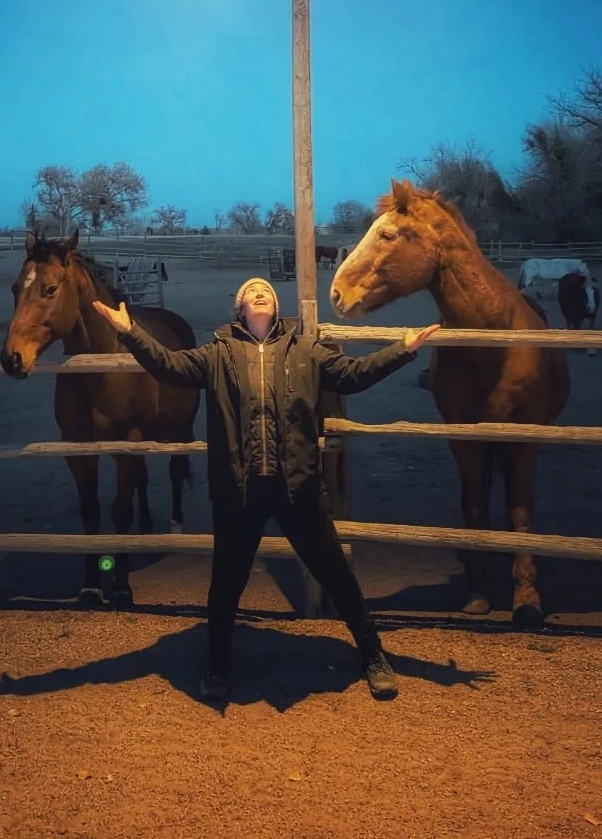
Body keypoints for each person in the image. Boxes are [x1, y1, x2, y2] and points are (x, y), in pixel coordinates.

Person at [92, 276, 438, 703]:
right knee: (226, 582)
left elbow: (352, 376)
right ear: (240, 309)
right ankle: (217, 659)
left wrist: (402, 351)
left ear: (276, 307)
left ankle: (372, 651)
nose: (260, 293)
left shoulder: (306, 351)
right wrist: (130, 332)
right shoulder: (218, 353)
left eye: (268, 292)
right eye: (251, 292)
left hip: (299, 487)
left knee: (336, 573)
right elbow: (169, 367)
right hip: (239, 491)